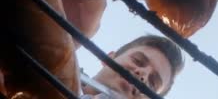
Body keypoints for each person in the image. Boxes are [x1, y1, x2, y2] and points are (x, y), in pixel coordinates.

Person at [0, 35, 184, 98]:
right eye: (138, 60)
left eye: (153, 82)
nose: (143, 74)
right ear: (108, 58)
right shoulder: (41, 72)